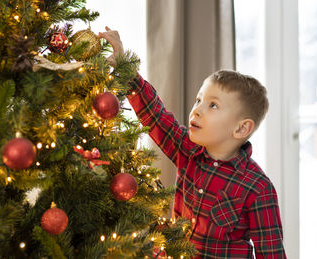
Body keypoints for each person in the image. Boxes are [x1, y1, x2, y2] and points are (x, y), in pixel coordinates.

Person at [99, 27, 286, 259]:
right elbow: (156, 116)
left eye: (213, 105)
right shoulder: (187, 150)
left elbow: (272, 253)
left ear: (241, 128)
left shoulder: (258, 188)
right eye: (199, 100)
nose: (197, 110)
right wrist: (126, 68)